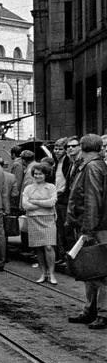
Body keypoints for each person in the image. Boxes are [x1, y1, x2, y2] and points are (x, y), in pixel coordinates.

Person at [65, 134, 107, 329]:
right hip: (91, 225)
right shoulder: (93, 165)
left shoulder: (92, 167)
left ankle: (102, 312)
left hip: (94, 227)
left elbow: (92, 199)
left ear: (82, 147)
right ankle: (91, 309)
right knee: (91, 269)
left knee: (99, 270)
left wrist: (88, 230)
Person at [21, 163, 58, 284]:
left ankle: (52, 274)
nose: (37, 176)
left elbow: (51, 203)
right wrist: (43, 203)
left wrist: (35, 202)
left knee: (49, 246)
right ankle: (43, 273)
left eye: (40, 174)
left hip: (48, 219)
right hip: (33, 219)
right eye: (35, 174)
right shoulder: (28, 188)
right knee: (39, 248)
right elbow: (25, 205)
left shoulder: (51, 187)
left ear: (45, 175)